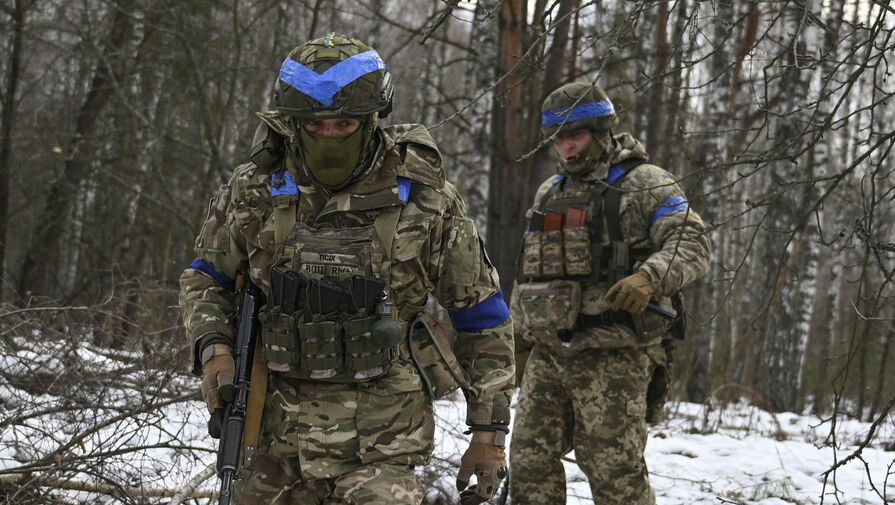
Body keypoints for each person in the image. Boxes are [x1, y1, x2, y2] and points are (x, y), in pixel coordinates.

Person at [179, 33, 514, 505]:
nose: (329, 136)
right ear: (292, 123)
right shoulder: (255, 189)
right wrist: (214, 348)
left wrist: (488, 434)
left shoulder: (426, 199)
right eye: (314, 125)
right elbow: (206, 277)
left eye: (344, 123)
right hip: (272, 436)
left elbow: (482, 316)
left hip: (382, 445)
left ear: (373, 119)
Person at [508, 82, 711, 505]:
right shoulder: (551, 191)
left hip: (616, 352)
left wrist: (649, 277)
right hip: (550, 352)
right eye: (558, 138)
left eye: (575, 136)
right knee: (529, 463)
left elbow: (692, 242)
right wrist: (520, 340)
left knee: (614, 472)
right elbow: (530, 269)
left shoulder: (646, 183)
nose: (566, 147)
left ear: (602, 131)